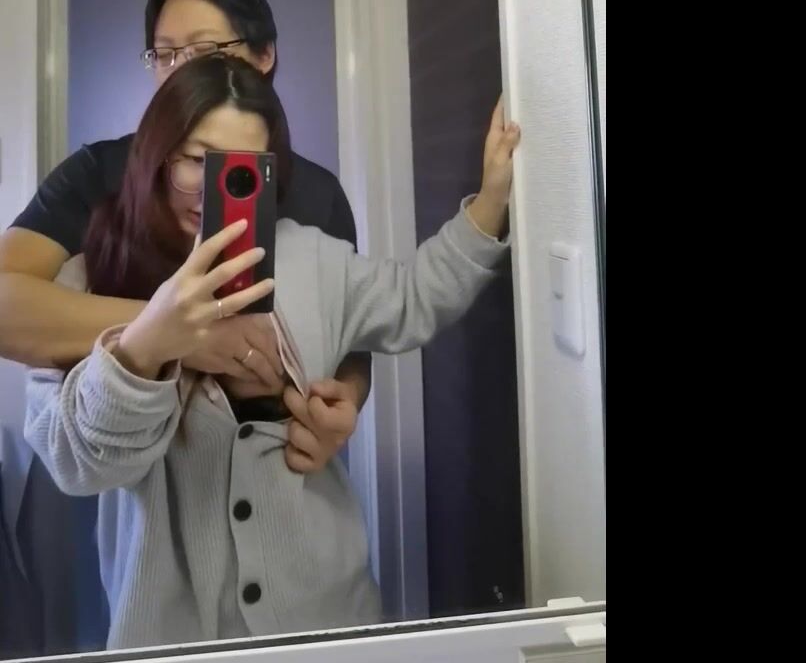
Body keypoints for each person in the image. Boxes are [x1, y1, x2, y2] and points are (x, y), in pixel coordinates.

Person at [25, 54, 520, 647]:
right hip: (169, 637)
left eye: (241, 169)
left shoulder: (312, 257)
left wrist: (491, 200)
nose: (213, 189)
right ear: (156, 153)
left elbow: (413, 299)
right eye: (196, 160)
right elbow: (79, 465)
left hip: (330, 620)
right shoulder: (88, 279)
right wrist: (149, 338)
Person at [1, 0, 370, 470]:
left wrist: (346, 401)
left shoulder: (318, 193)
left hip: (285, 483)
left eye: (204, 51)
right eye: (165, 54)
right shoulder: (97, 172)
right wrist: (176, 331)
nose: (180, 72)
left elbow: (355, 340)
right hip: (139, 484)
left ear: (264, 55)